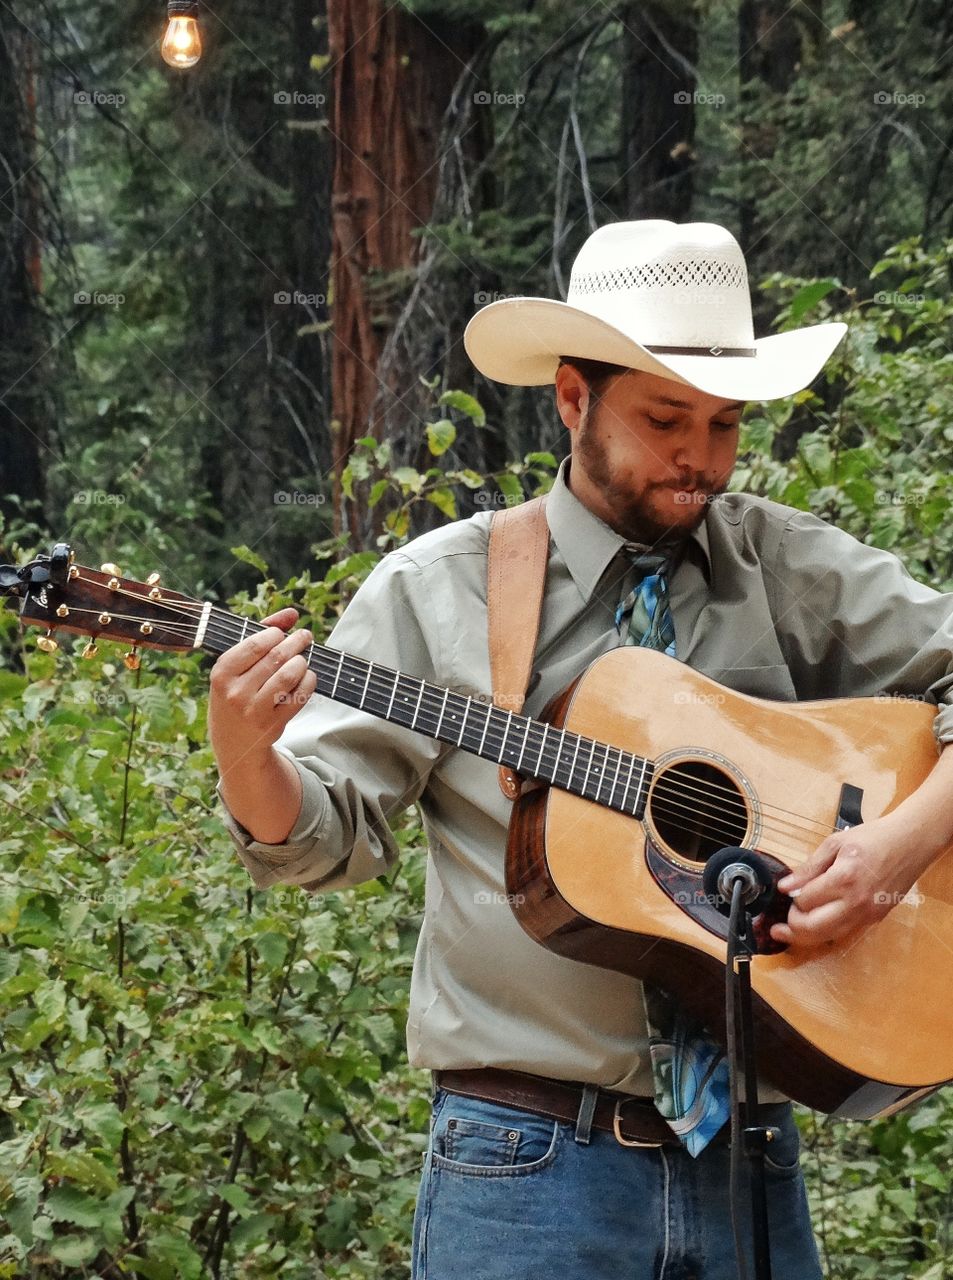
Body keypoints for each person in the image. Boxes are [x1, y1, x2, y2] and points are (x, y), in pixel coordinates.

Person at [208, 221, 953, 1279]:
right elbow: (322, 837)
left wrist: (891, 853)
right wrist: (245, 748)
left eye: (725, 422)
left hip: (751, 1163)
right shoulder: (441, 587)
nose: (701, 456)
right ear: (570, 397)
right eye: (663, 418)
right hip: (523, 1170)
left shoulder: (780, 564)